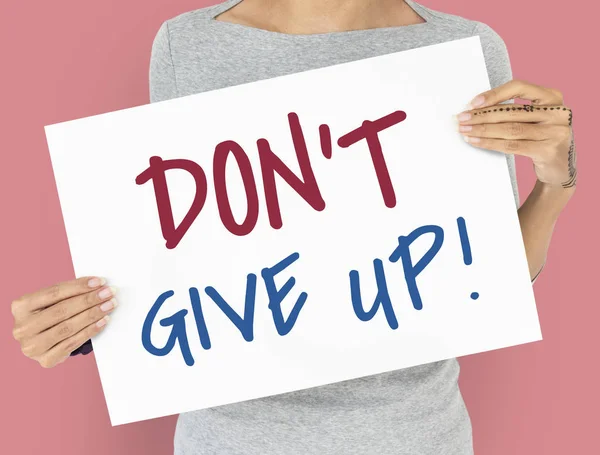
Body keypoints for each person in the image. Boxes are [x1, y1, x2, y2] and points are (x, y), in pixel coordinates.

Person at [11, 1, 576, 453]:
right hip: (228, 440)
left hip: (413, 436)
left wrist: (556, 181)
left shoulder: (468, 48)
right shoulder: (187, 44)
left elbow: (489, 277)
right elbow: (183, 252)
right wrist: (84, 325)